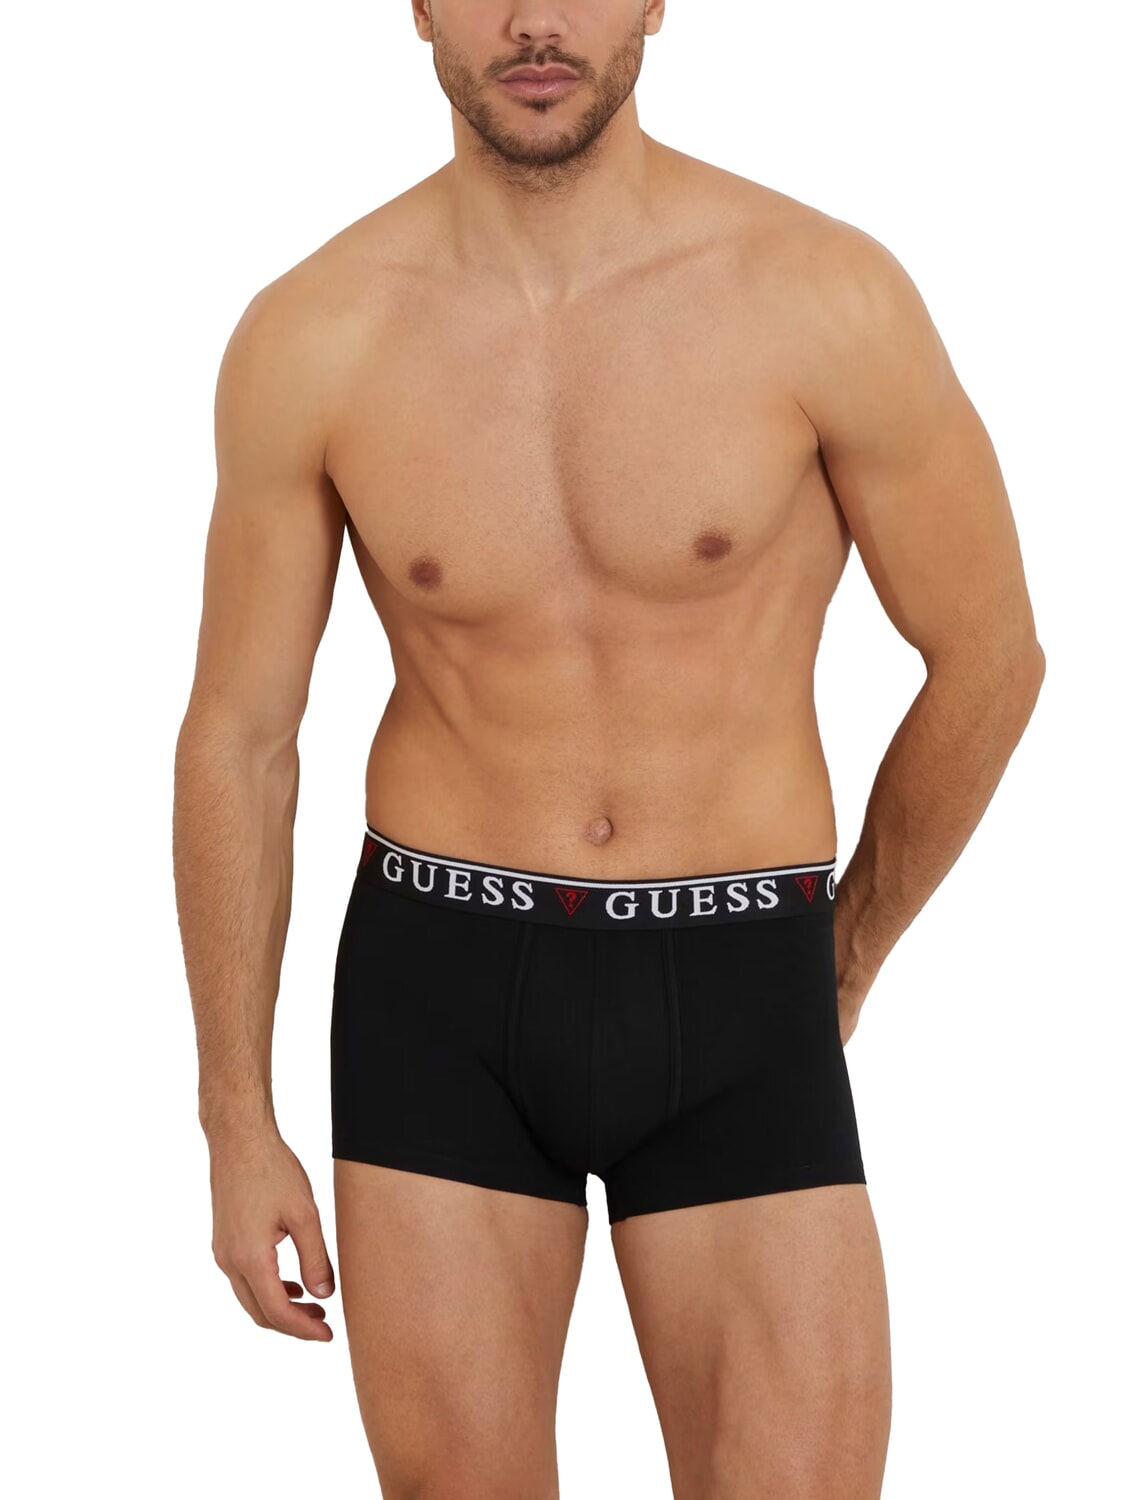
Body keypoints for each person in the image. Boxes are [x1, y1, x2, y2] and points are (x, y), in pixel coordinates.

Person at [172, 2, 1045, 1495]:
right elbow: (241, 736)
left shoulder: (820, 295)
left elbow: (989, 657)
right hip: (438, 990)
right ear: (418, 7)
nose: (536, 20)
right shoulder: (315, 331)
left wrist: (841, 959)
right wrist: (234, 1121)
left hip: (739, 977)